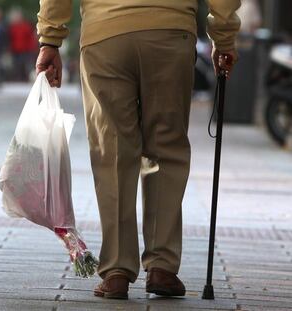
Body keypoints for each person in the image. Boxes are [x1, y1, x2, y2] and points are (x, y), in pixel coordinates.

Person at [36, 0, 241, 300]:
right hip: (170, 33)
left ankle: (117, 269)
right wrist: (223, 37)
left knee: (113, 151)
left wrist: (50, 39)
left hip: (105, 36)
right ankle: (162, 266)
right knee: (166, 148)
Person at [8, 10, 37, 82]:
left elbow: (30, 38)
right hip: (15, 50)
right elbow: (10, 39)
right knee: (16, 65)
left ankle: (25, 78)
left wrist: (32, 48)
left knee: (25, 65)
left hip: (25, 50)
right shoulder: (12, 27)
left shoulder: (26, 26)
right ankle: (17, 78)